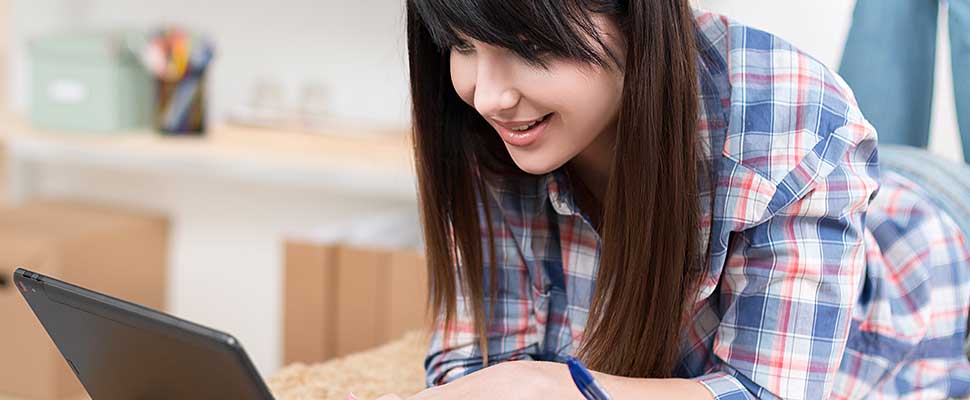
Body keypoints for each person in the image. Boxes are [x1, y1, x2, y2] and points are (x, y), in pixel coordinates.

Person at [378, 1, 970, 398]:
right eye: (459, 43)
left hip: (921, 243)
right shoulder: (481, 129)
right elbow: (474, 364)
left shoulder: (793, 122)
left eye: (529, 45)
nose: (488, 95)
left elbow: (762, 391)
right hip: (828, 187)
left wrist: (561, 387)